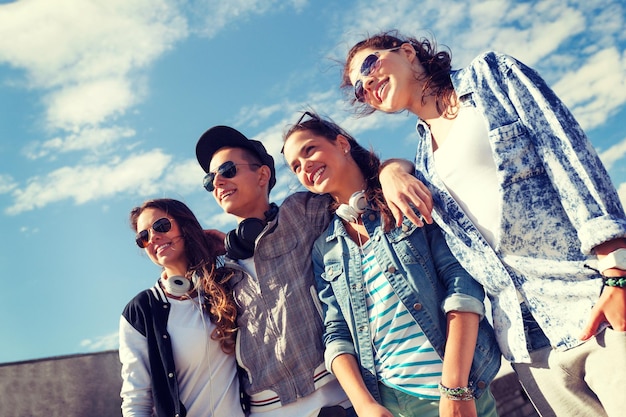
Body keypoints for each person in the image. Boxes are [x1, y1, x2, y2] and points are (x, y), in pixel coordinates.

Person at [340, 30, 626, 417]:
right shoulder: (423, 162)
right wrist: (392, 169)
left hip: (592, 299)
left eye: (370, 65)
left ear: (408, 52)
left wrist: (616, 270)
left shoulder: (491, 76)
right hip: (527, 345)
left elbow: (569, 154)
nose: (368, 84)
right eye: (360, 88)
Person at [282, 111, 501, 417]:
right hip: (389, 402)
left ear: (342, 143)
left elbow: (461, 282)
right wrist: (365, 405)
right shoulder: (325, 249)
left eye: (309, 150)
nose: (304, 166)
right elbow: (336, 333)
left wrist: (454, 387)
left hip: (455, 389)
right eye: (295, 166)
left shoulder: (405, 196)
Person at [119, 198, 244, 417]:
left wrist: (228, 246)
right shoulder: (141, 312)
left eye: (161, 226)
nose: (154, 237)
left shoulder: (229, 284)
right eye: (143, 237)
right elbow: (136, 399)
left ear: (184, 226)